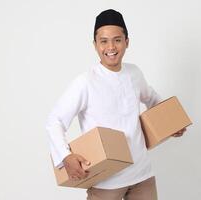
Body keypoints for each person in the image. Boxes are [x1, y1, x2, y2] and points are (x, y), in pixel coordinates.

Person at [46, 9, 186, 200]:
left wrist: (170, 124)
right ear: (95, 45)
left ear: (127, 42)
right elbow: (55, 120)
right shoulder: (85, 82)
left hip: (142, 176)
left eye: (117, 39)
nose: (111, 47)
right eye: (103, 41)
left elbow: (153, 99)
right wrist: (65, 156)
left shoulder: (134, 73)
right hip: (106, 181)